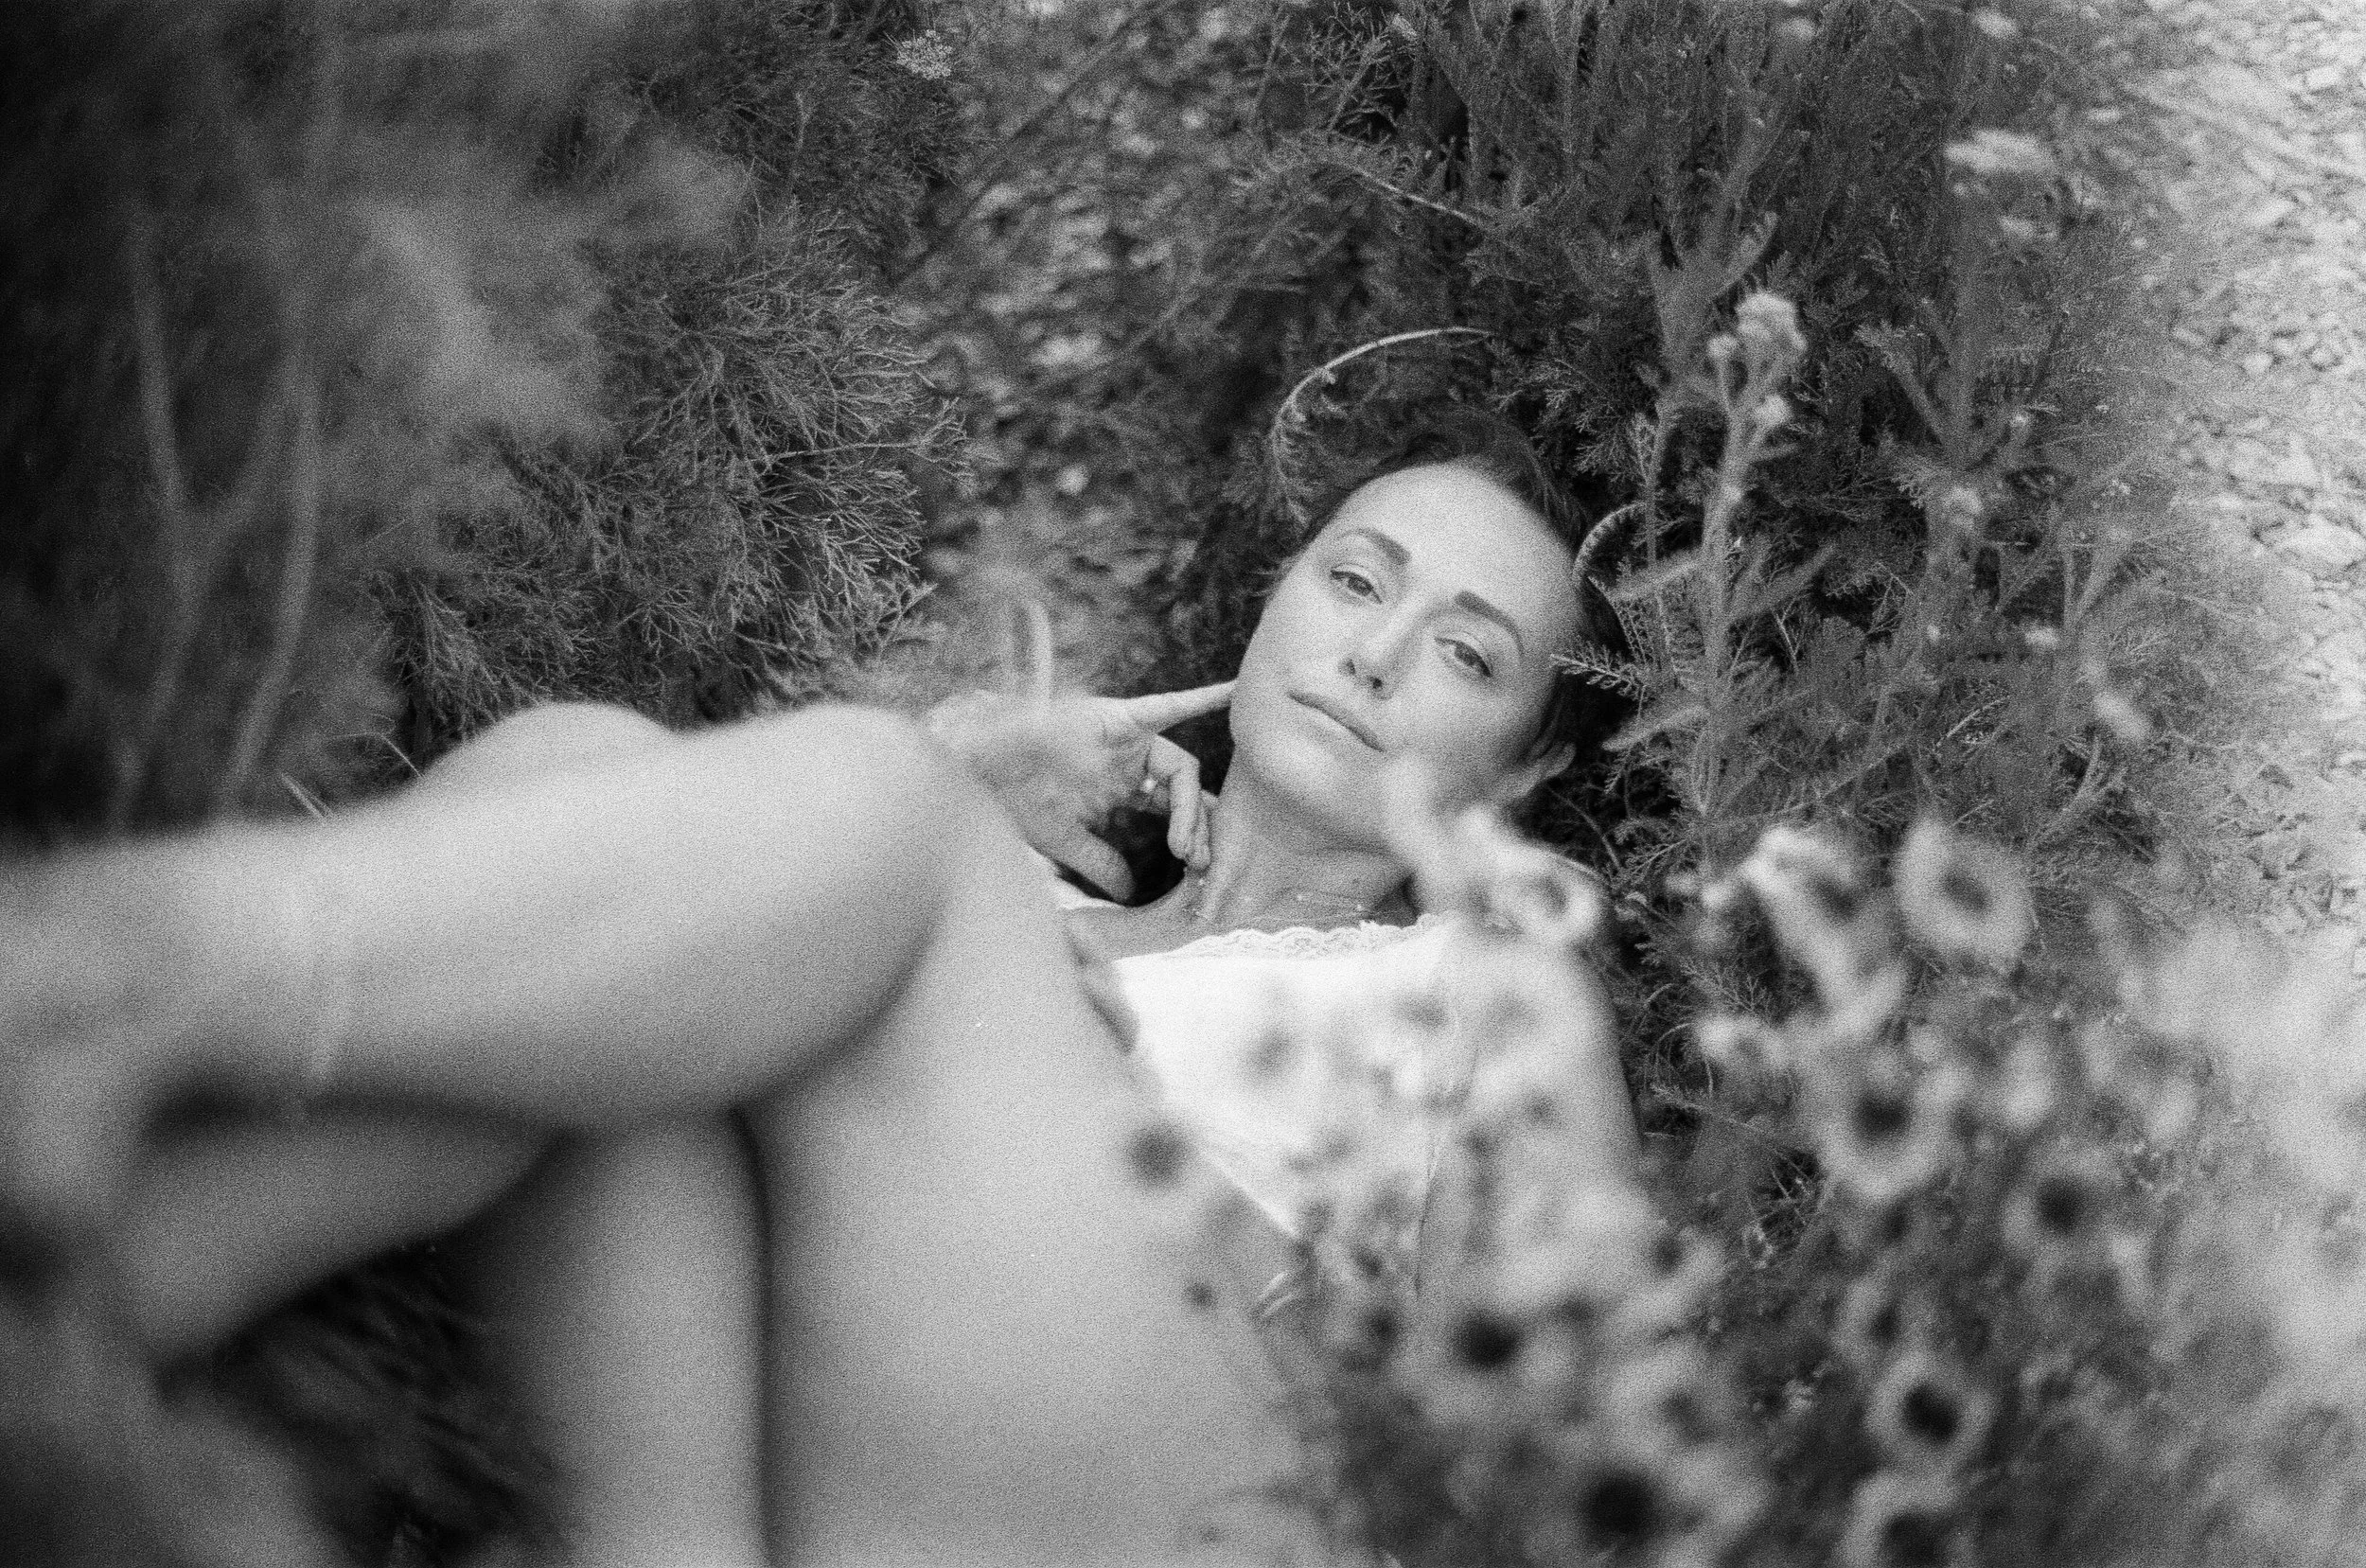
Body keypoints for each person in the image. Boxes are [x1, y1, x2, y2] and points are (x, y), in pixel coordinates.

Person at [0, 420, 1640, 1567]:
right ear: (1280, 592)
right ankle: (68, 1330)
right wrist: (959, 779)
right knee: (588, 779)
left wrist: (938, 850)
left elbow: (1534, 1479)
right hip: (859, 1445)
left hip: (1207, 1491)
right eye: (1357, 581)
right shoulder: (1020, 900)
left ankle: (92, 981)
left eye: (1468, 653)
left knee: (870, 825)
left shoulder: (1488, 991)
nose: (1373, 651)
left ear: (1523, 771)